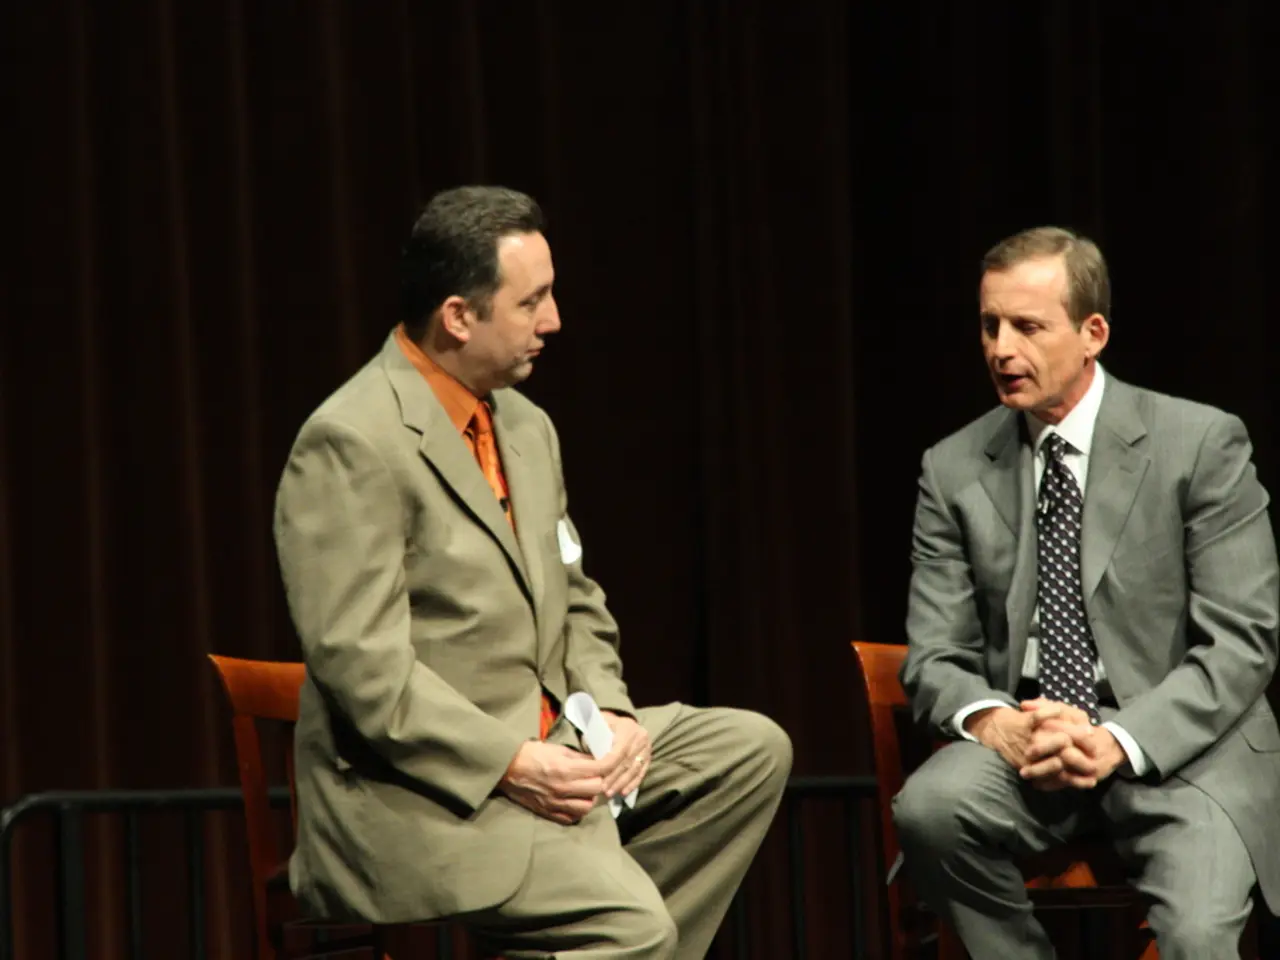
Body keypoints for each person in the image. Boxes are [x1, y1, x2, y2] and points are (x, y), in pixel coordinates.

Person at [272, 185, 791, 959]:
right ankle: (614, 925)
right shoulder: (351, 441)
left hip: (556, 740)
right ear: (458, 316)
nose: (553, 322)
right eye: (532, 302)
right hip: (421, 793)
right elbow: (363, 667)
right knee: (632, 930)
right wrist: (511, 761)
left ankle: (600, 917)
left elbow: (576, 598)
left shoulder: (524, 424)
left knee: (748, 750)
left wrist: (611, 714)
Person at [892, 226, 1280, 959]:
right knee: (932, 809)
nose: (1001, 348)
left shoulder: (1199, 443)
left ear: (1092, 332)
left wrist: (1114, 739)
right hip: (1029, 746)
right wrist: (997, 723)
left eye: (1028, 327)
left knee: (1197, 936)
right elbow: (936, 654)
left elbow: (1242, 640)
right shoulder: (952, 468)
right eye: (989, 324)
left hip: (1179, 745)